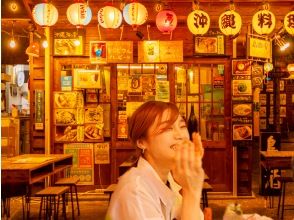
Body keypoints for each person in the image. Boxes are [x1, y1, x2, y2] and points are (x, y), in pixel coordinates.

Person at [106, 101, 204, 220]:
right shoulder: (135, 191)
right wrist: (191, 191)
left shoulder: (168, 179)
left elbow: (190, 214)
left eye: (182, 126)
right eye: (168, 128)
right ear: (142, 142)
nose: (180, 135)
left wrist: (190, 171)